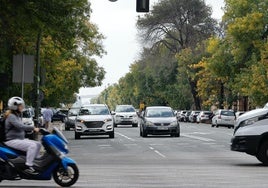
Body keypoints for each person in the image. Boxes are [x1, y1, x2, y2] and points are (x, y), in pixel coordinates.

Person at [4, 97, 41, 175]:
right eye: (20, 105)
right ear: (14, 106)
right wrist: (33, 128)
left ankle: (35, 162)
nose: (22, 107)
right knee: (33, 146)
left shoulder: (16, 115)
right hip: (11, 140)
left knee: (38, 144)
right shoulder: (11, 116)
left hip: (18, 139)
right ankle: (28, 166)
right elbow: (20, 126)